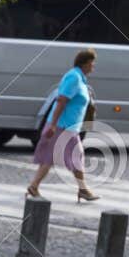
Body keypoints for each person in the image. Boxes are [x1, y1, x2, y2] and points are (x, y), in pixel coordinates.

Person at [26, 48, 100, 202]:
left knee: (50, 158)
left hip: (68, 126)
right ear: (85, 63)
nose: (94, 67)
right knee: (74, 156)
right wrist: (53, 124)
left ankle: (34, 186)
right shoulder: (74, 77)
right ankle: (83, 190)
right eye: (92, 63)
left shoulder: (79, 78)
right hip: (63, 126)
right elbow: (61, 100)